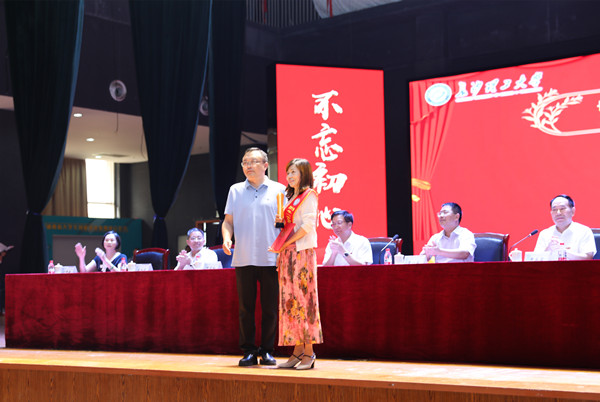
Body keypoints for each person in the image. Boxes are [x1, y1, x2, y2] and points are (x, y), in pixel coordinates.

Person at [222, 147, 286, 367]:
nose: (248, 166)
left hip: (271, 258)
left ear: (265, 165)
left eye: (253, 162)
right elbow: (228, 221)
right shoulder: (235, 190)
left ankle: (267, 350)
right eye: (245, 162)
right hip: (244, 257)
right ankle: (248, 351)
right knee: (245, 309)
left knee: (270, 309)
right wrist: (227, 238)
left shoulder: (280, 189)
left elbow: (286, 225)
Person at [269, 158, 323, 370]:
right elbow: (289, 226)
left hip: (302, 253)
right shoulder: (290, 197)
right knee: (290, 303)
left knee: (304, 301)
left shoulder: (309, 195)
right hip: (288, 254)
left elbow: (307, 226)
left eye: (294, 172)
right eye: (288, 172)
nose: (290, 176)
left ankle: (309, 352)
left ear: (304, 173)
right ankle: (297, 351)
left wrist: (285, 242)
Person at [534, 194, 596, 260]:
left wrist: (564, 252)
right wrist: (548, 250)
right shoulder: (544, 234)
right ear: (551, 213)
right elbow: (535, 259)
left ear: (572, 211)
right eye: (554, 209)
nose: (558, 213)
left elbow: (588, 257)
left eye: (562, 209)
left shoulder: (584, 231)